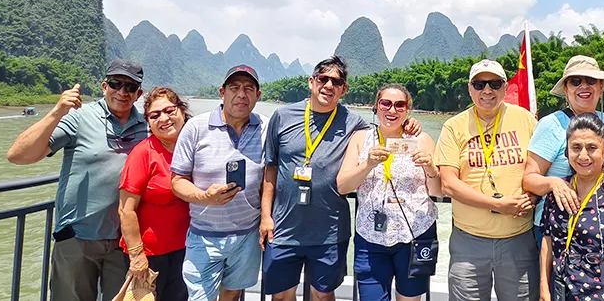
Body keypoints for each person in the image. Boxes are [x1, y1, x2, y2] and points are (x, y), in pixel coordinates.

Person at [261, 56, 421, 301]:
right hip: (284, 226)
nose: (328, 86)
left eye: (336, 82)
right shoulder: (282, 116)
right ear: (311, 82)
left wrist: (407, 124)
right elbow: (270, 169)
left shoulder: (354, 123)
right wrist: (265, 217)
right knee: (281, 296)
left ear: (344, 89)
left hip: (329, 230)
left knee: (323, 295)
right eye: (323, 79)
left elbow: (386, 127)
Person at [7, 58, 148, 301]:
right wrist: (57, 111)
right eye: (116, 83)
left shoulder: (146, 126)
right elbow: (18, 156)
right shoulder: (78, 118)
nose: (122, 92)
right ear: (104, 86)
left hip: (124, 243)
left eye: (130, 87)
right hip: (78, 239)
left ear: (139, 94)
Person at [434, 59, 539, 301]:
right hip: (469, 241)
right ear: (470, 88)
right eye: (480, 84)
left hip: (518, 238)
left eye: (494, 84)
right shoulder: (454, 126)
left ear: (505, 87)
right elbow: (448, 183)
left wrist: (533, 196)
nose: (487, 91)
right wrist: (498, 205)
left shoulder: (525, 119)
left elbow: (543, 167)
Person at [170, 65, 267, 301]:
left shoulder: (266, 128)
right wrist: (204, 197)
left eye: (248, 88)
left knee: (233, 294)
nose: (241, 94)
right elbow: (177, 181)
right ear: (222, 93)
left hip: (247, 236)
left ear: (258, 95)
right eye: (234, 88)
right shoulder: (195, 128)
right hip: (204, 235)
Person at [337, 83, 442, 301]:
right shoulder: (360, 139)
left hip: (416, 233)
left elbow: (437, 191)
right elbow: (343, 186)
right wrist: (367, 164)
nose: (392, 110)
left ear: (407, 110)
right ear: (375, 106)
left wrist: (430, 168)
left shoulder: (421, 139)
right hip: (370, 235)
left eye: (399, 105)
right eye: (385, 103)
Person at [539, 113, 604, 301]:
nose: (583, 156)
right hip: (562, 292)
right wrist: (544, 290)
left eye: (592, 148)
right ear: (567, 152)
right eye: (576, 148)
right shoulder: (558, 192)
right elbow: (548, 242)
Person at [523, 55, 604, 245]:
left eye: (591, 81)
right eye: (576, 81)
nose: (584, 86)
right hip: (559, 225)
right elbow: (529, 179)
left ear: (601, 87)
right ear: (566, 89)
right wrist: (553, 183)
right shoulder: (552, 125)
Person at [118, 87, 192, 300]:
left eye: (169, 111)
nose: (164, 118)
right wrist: (137, 255)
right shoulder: (143, 153)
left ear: (182, 112)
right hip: (150, 255)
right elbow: (126, 209)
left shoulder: (193, 148)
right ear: (148, 122)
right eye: (155, 115)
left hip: (186, 250)